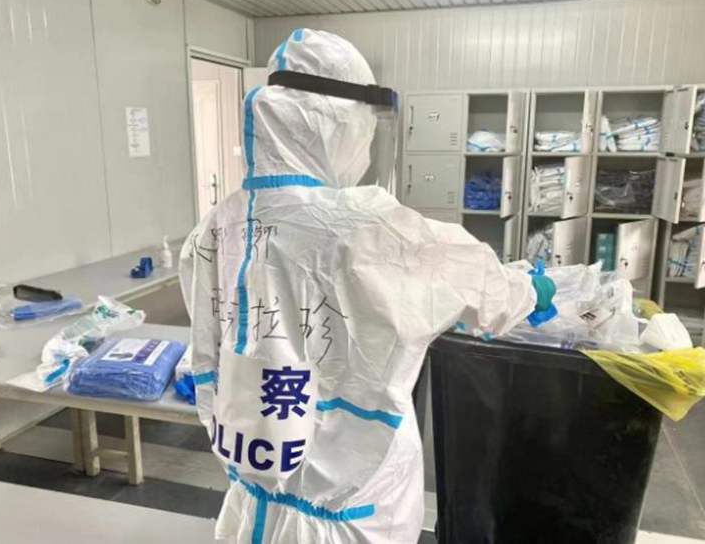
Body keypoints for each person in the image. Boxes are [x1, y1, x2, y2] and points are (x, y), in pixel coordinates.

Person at [180, 28, 547, 544]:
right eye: (364, 128)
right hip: (349, 516)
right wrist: (534, 290)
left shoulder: (216, 225)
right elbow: (486, 291)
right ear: (337, 126)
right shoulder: (369, 227)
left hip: (250, 504)